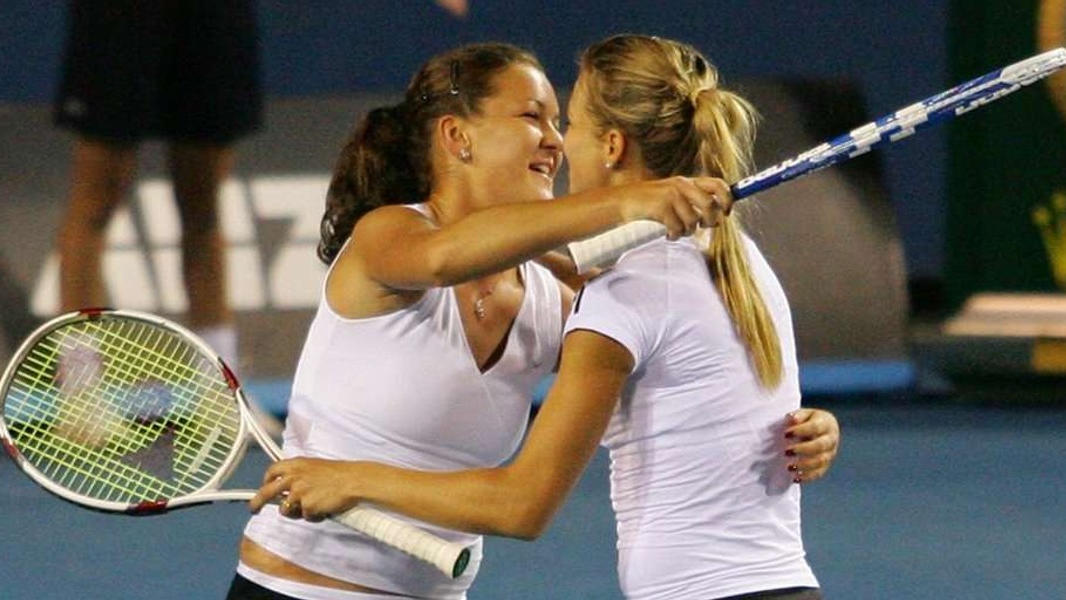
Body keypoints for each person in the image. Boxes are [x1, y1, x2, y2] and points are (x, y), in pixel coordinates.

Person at [253, 34, 837, 600]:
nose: (556, 141)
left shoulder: (558, 299)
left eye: (563, 122)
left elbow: (676, 380)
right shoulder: (388, 235)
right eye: (534, 117)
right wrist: (626, 200)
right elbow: (442, 258)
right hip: (295, 588)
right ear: (457, 136)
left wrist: (799, 430)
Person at [53, 0, 262, 367]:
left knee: (204, 211)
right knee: (94, 206)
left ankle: (220, 388)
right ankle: (79, 393)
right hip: (120, 17)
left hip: (211, 18)